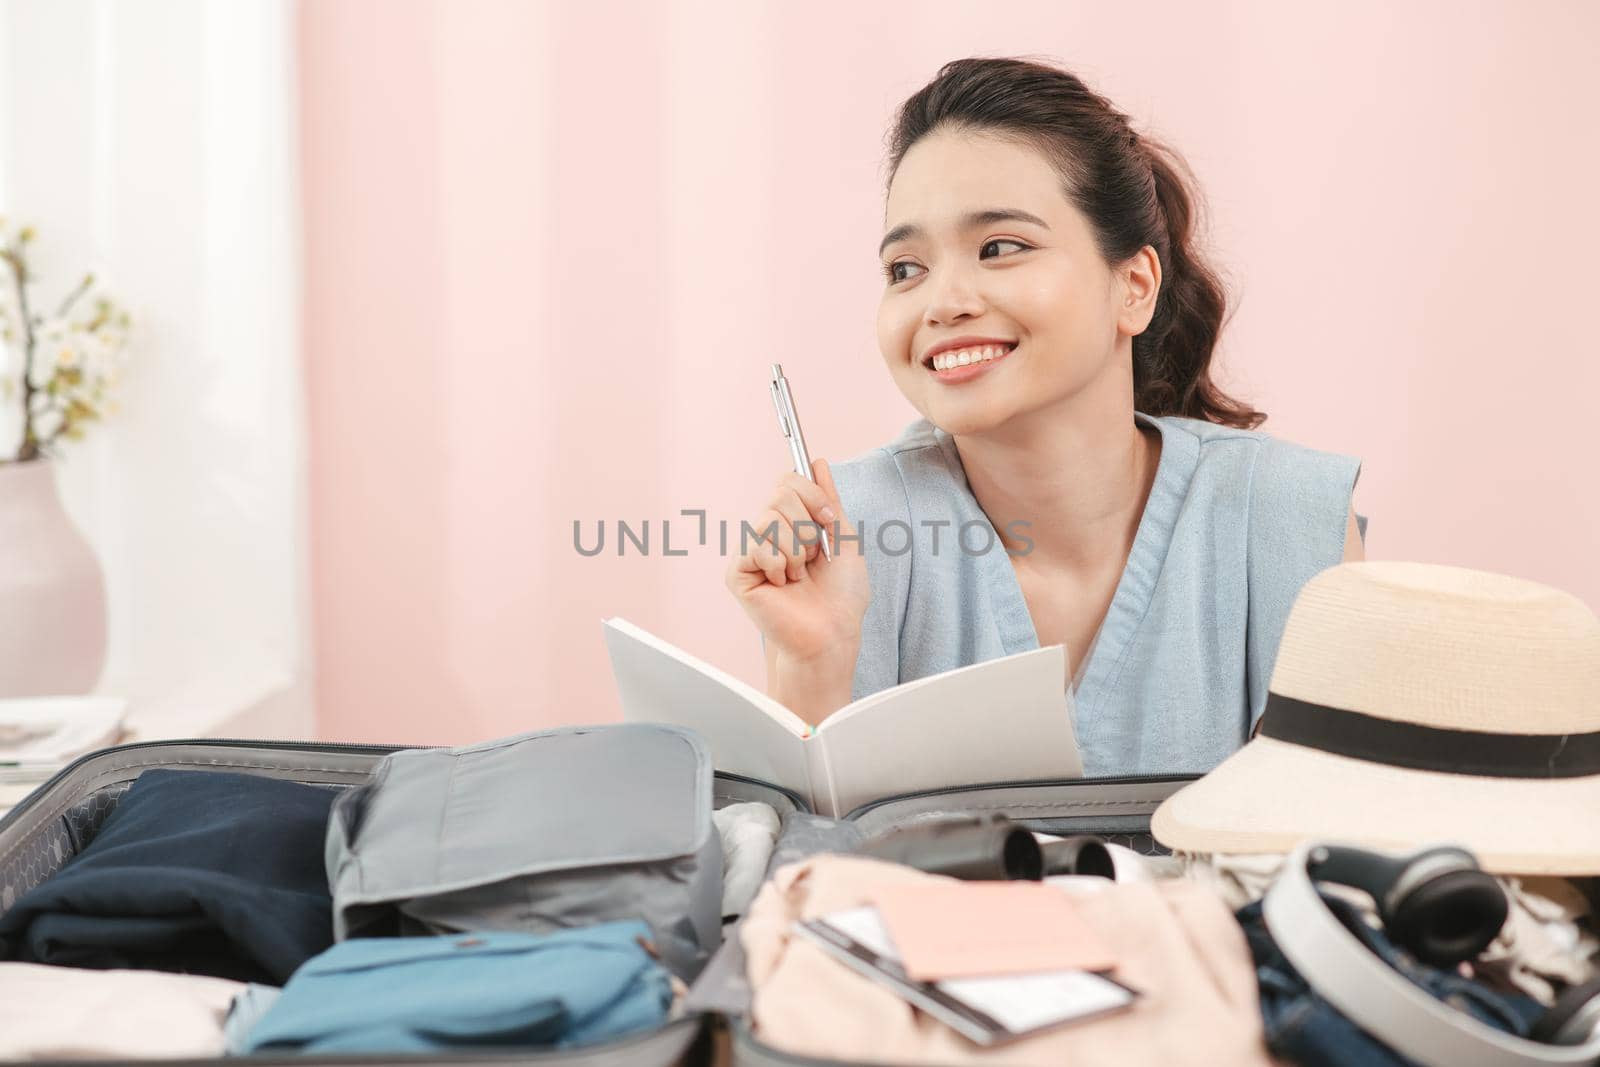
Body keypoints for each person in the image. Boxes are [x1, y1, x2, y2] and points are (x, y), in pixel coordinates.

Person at [725, 57, 1363, 776]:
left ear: (1134, 286)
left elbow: (1349, 846)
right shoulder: (850, 533)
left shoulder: (1286, 521)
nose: (943, 302)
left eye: (1000, 247)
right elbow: (807, 878)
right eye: (906, 268)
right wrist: (810, 670)